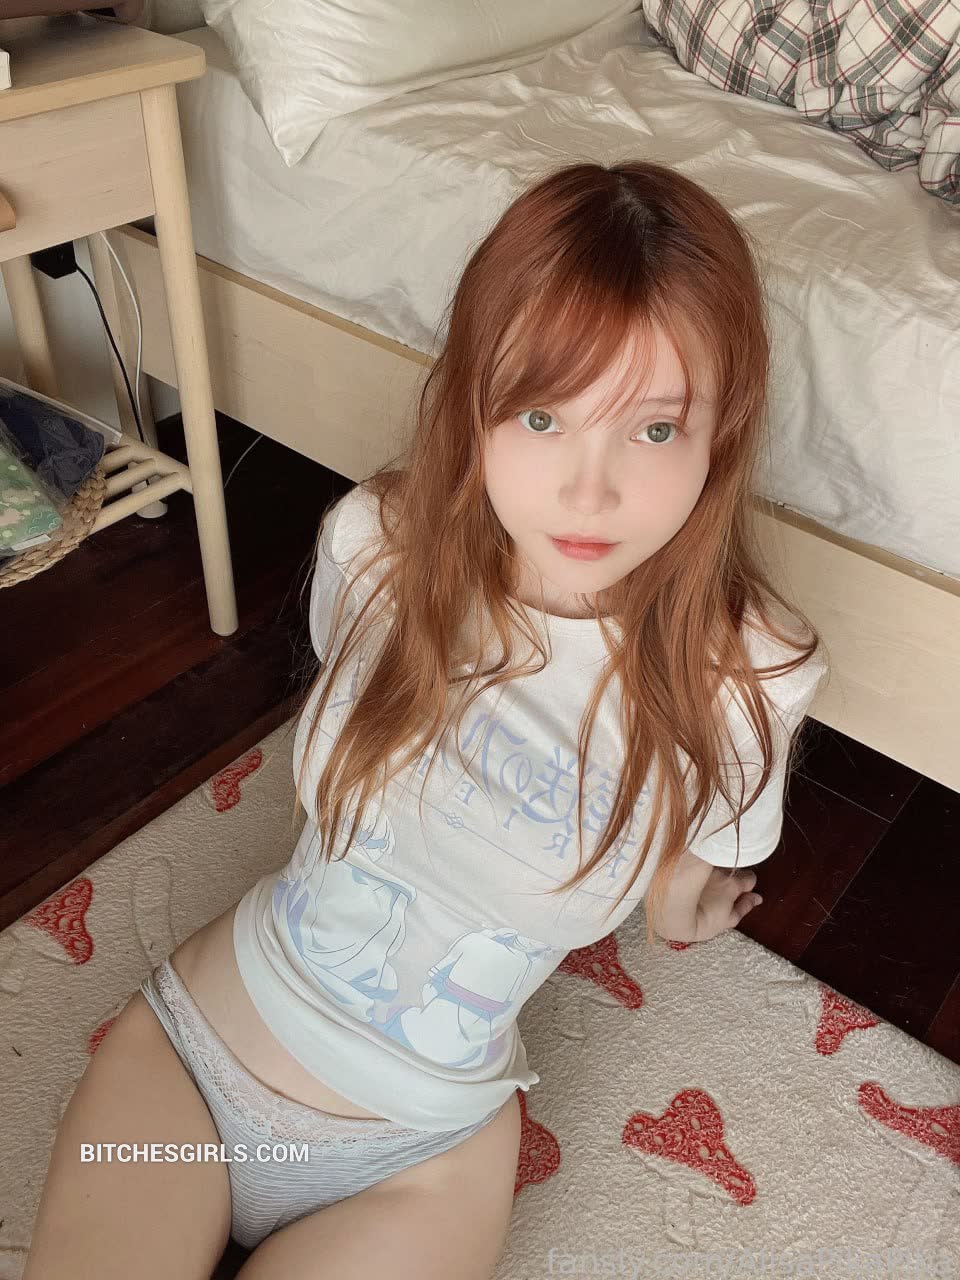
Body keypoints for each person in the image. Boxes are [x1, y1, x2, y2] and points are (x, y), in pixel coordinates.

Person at [24, 159, 829, 1280]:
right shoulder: (379, 544)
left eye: (654, 430)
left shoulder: (750, 674)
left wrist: (696, 904)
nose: (588, 491)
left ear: (720, 434)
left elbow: (680, 888)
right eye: (541, 415)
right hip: (193, 1060)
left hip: (425, 1158)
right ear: (476, 402)